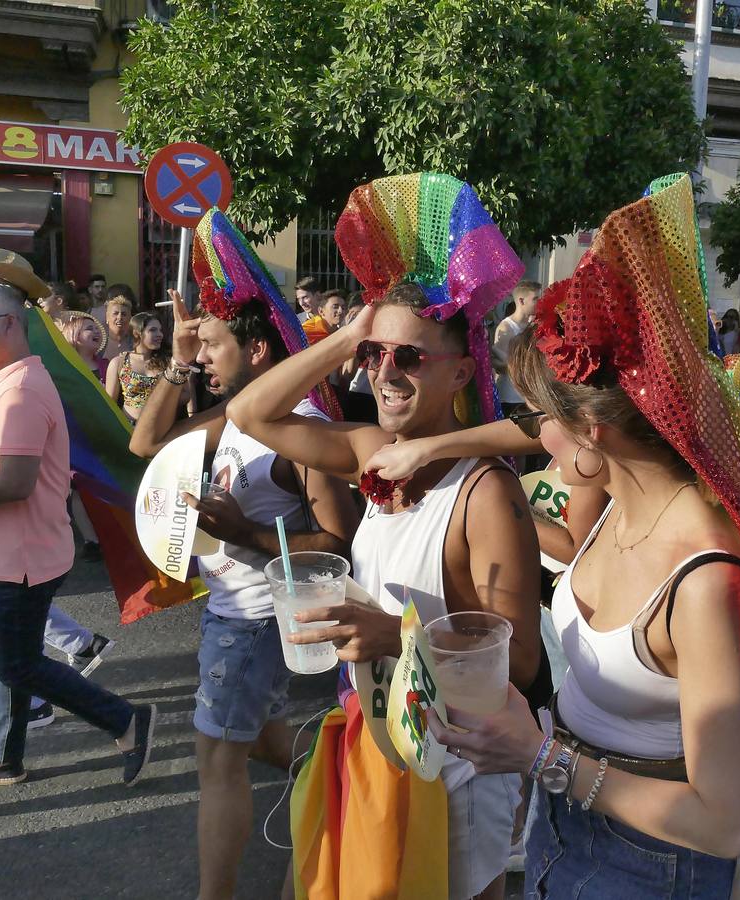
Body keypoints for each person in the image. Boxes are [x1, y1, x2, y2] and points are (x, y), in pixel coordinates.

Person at [375, 175, 740, 899]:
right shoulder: (611, 507)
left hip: (655, 863)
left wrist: (542, 755)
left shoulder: (701, 576)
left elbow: (724, 823)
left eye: (540, 417)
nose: (531, 432)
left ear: (593, 432)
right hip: (563, 825)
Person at [227, 174, 546, 900]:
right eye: (376, 357)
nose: (386, 372)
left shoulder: (484, 492)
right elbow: (251, 413)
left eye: (409, 357)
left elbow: (519, 665)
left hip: (458, 763)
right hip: (374, 731)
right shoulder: (373, 448)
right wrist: (348, 334)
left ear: (462, 370)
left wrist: (399, 636)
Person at [131, 273, 358, 900]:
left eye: (212, 345)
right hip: (224, 608)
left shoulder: (301, 429)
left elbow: (340, 545)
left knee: (217, 758)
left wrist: (246, 534)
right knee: (254, 738)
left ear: (257, 351)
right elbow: (146, 442)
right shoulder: (233, 414)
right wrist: (176, 366)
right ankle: (337, 779)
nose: (203, 357)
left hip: (256, 617)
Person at [0, 282, 156, 790]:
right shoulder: (3, 379)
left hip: (17, 556)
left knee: (16, 664)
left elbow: (16, 483)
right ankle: (4, 756)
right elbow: (4, 468)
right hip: (8, 551)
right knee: (11, 660)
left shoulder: (18, 391)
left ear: (11, 323)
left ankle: (124, 719)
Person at [106, 312, 167, 421]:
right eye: (153, 330)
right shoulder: (119, 363)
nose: (160, 334)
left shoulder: (166, 362)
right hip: (129, 430)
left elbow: (184, 394)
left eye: (160, 330)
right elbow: (109, 405)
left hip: (161, 427)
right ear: (136, 333)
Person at [492, 279, 540, 417]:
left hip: (529, 397)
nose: (539, 302)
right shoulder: (506, 328)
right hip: (511, 398)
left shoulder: (532, 325)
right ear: (521, 301)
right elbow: (501, 366)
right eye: (535, 299)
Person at [60, 312, 108, 381]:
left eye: (97, 328)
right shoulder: (64, 366)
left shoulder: (106, 365)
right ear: (75, 335)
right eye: (90, 328)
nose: (97, 332)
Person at [101, 295, 134, 361]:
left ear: (130, 318)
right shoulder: (99, 343)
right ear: (107, 317)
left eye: (124, 314)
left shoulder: (136, 343)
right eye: (115, 313)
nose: (119, 317)